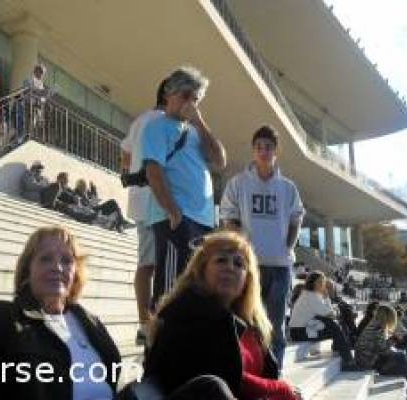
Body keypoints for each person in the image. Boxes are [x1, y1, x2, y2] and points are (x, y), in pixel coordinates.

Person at [0, 226, 122, 400]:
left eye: (66, 260)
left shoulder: (91, 322)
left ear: (76, 272)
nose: (57, 267)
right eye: (46, 259)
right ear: (28, 270)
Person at [144, 230, 302, 400]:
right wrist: (280, 388)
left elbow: (268, 375)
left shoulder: (250, 323)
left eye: (239, 263)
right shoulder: (183, 312)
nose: (230, 267)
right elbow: (224, 377)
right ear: (201, 270)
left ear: (247, 279)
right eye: (221, 260)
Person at [220, 125, 305, 370]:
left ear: (275, 151)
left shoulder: (288, 188)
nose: (263, 151)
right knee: (245, 323)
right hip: (248, 265)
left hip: (280, 267)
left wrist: (287, 246)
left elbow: (296, 219)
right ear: (253, 150)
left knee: (275, 327)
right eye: (258, 147)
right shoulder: (239, 183)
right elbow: (229, 218)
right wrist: (241, 249)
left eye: (268, 147)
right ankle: (244, 375)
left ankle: (273, 377)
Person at [142, 67, 226, 308]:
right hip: (177, 219)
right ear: (170, 94)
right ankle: (160, 342)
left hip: (202, 221)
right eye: (186, 95)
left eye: (196, 98)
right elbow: (153, 171)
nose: (191, 102)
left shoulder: (196, 132)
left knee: (194, 288)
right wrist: (173, 211)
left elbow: (220, 160)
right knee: (170, 292)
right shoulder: (156, 126)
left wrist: (200, 122)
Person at [120, 79, 167, 344]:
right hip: (157, 201)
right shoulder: (164, 122)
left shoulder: (140, 121)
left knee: (146, 265)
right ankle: (151, 325)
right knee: (157, 266)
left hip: (140, 200)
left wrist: (127, 175)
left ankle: (143, 324)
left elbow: (125, 152)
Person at [355, 305, 407, 398]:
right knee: (401, 357)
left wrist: (393, 341)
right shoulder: (378, 328)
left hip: (367, 360)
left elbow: (380, 348)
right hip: (368, 363)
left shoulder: (374, 325)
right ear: (388, 317)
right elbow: (385, 351)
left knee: (402, 362)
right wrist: (393, 341)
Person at [288, 271, 357, 370]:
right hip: (300, 332)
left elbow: (329, 313)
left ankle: (344, 355)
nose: (322, 285)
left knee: (333, 325)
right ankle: (348, 360)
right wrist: (327, 298)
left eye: (323, 282)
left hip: (303, 330)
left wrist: (327, 301)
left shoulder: (311, 294)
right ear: (312, 283)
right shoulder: (310, 296)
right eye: (319, 282)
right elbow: (330, 314)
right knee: (333, 325)